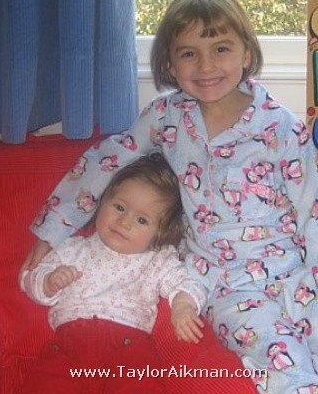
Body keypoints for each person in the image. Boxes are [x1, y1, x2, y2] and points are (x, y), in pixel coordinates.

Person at [21, 0, 318, 393]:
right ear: (170, 63)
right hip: (223, 284)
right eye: (189, 53)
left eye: (221, 49)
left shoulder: (280, 126)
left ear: (246, 53)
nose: (206, 65)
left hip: (293, 271)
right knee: (285, 365)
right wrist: (52, 230)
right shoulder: (165, 117)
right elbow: (105, 162)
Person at [20, 154, 207, 393]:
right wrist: (48, 282)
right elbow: (31, 277)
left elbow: (185, 282)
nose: (124, 222)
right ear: (101, 202)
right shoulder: (72, 248)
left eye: (142, 220)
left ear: (160, 233)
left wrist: (183, 306)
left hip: (129, 350)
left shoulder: (157, 259)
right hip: (68, 346)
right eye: (119, 207)